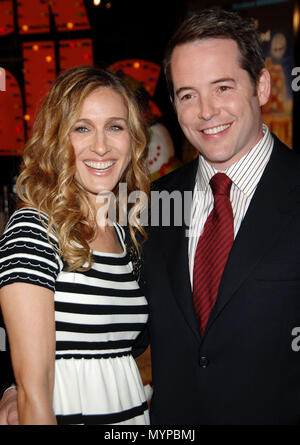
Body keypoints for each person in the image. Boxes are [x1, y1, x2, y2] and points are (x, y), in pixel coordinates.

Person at [2, 7, 300, 425]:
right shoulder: (153, 206)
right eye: (188, 94)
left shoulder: (127, 219)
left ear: (262, 85)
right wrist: (19, 388)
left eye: (223, 87)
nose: (206, 111)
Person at [0, 65, 150, 425]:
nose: (101, 145)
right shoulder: (35, 230)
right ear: (56, 139)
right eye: (82, 128)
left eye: (115, 127)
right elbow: (33, 391)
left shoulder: (127, 232)